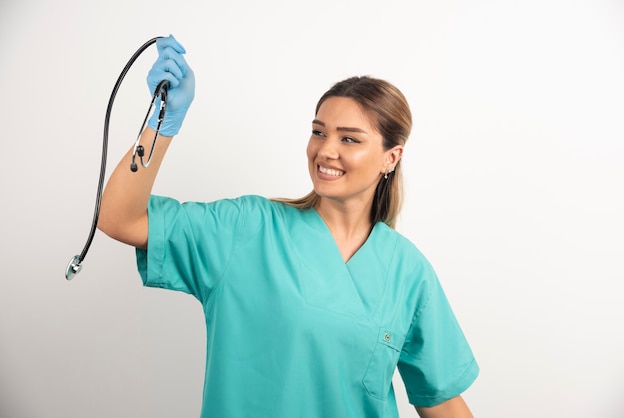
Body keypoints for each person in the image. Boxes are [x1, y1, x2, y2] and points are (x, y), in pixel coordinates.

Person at [98, 35, 479, 418]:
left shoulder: (408, 272)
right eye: (319, 132)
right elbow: (119, 218)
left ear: (390, 158)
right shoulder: (247, 230)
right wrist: (161, 121)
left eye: (349, 138)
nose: (326, 150)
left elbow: (441, 401)